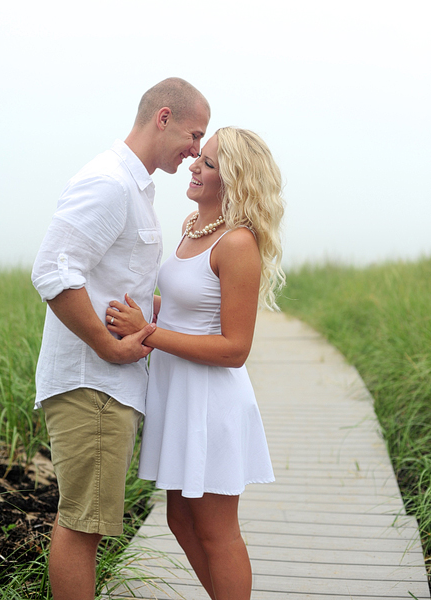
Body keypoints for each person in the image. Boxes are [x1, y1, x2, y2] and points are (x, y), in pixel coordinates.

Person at [31, 78, 211, 600]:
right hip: (95, 385)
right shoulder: (110, 183)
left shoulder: (134, 187)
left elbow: (115, 287)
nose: (197, 150)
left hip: (106, 388)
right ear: (164, 117)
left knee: (84, 521)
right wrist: (107, 347)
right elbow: (52, 271)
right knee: (83, 524)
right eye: (194, 134)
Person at [105, 127, 284, 600]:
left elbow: (235, 348)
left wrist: (147, 333)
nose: (193, 166)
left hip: (211, 400)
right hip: (177, 393)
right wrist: (149, 310)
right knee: (180, 519)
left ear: (235, 177)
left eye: (206, 163)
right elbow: (190, 306)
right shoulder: (191, 226)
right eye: (197, 159)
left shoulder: (238, 243)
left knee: (217, 531)